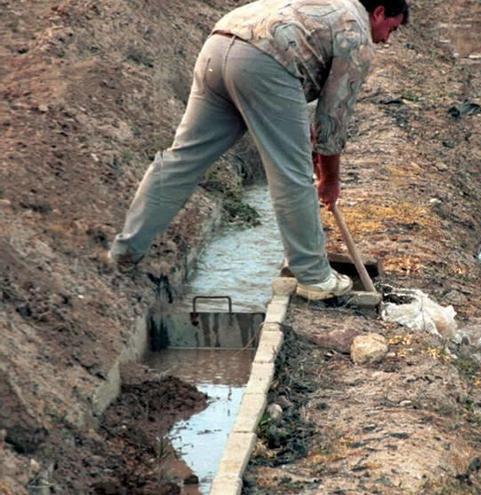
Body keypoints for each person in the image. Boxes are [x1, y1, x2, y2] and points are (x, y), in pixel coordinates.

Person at [106, 0, 408, 300]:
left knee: (182, 159)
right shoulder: (355, 32)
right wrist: (330, 180)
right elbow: (333, 119)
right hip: (266, 60)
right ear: (379, 11)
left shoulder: (326, 6)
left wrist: (316, 145)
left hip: (219, 44)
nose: (385, 39)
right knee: (292, 175)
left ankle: (125, 251)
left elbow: (316, 109)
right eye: (390, 29)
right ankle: (314, 278)